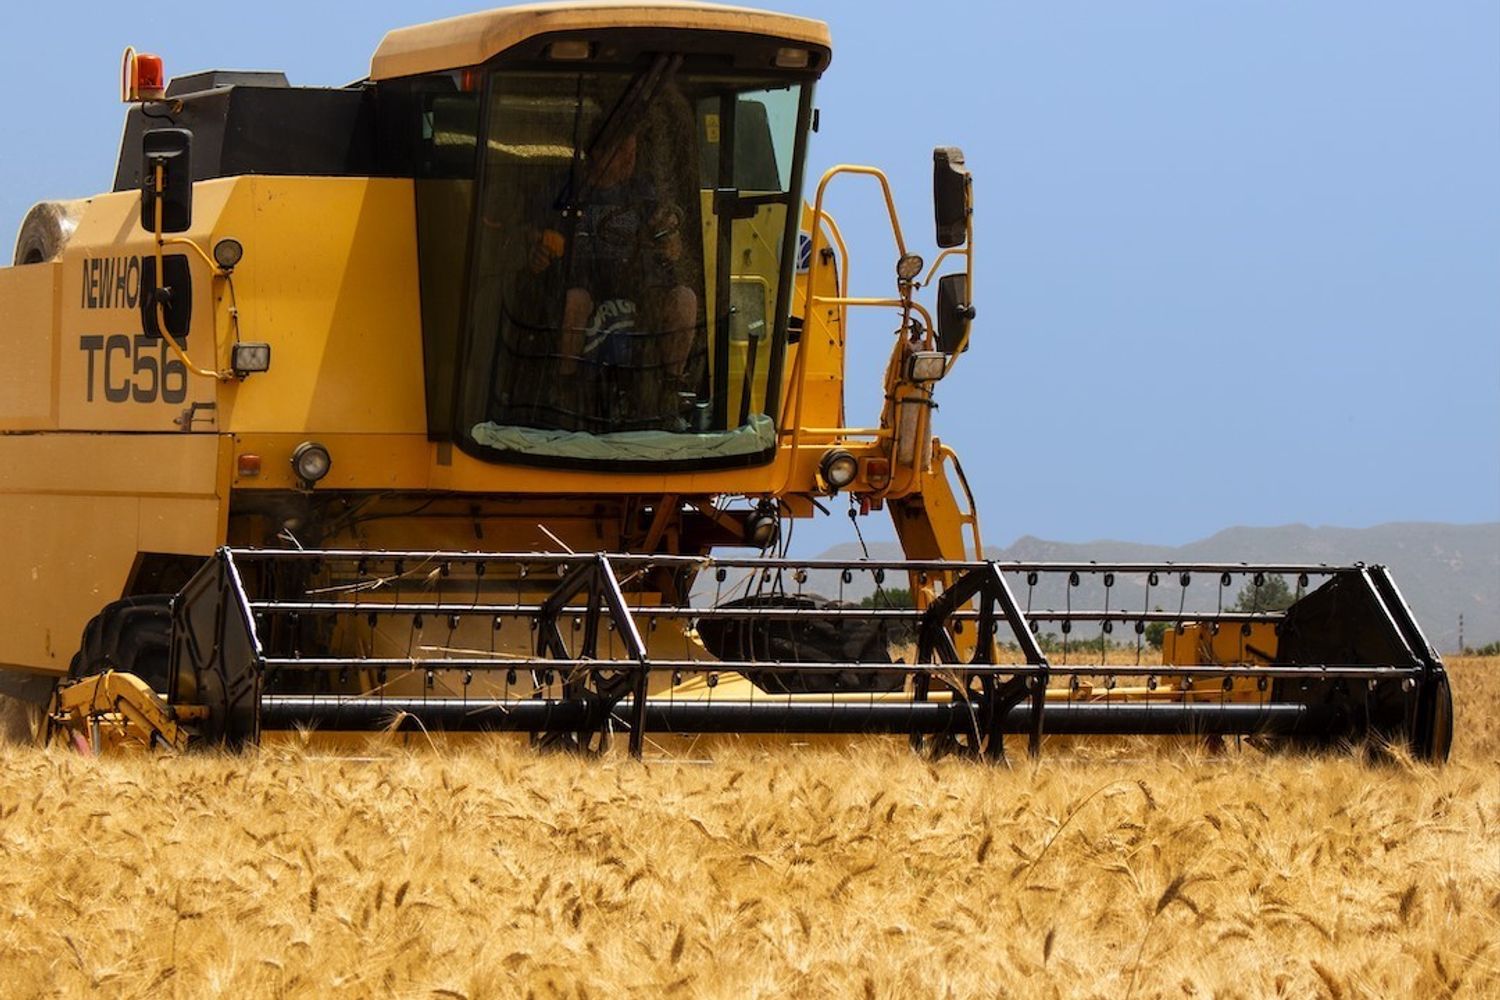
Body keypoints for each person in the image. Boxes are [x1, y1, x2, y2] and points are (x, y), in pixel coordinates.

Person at [527, 129, 698, 384]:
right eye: (621, 153)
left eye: (633, 153)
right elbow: (530, 232)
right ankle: (565, 387)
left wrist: (670, 236)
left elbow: (668, 234)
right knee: (574, 301)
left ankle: (671, 389)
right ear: (596, 153)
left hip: (636, 289)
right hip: (582, 285)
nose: (630, 160)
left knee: (684, 300)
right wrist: (536, 246)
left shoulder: (642, 191)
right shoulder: (564, 189)